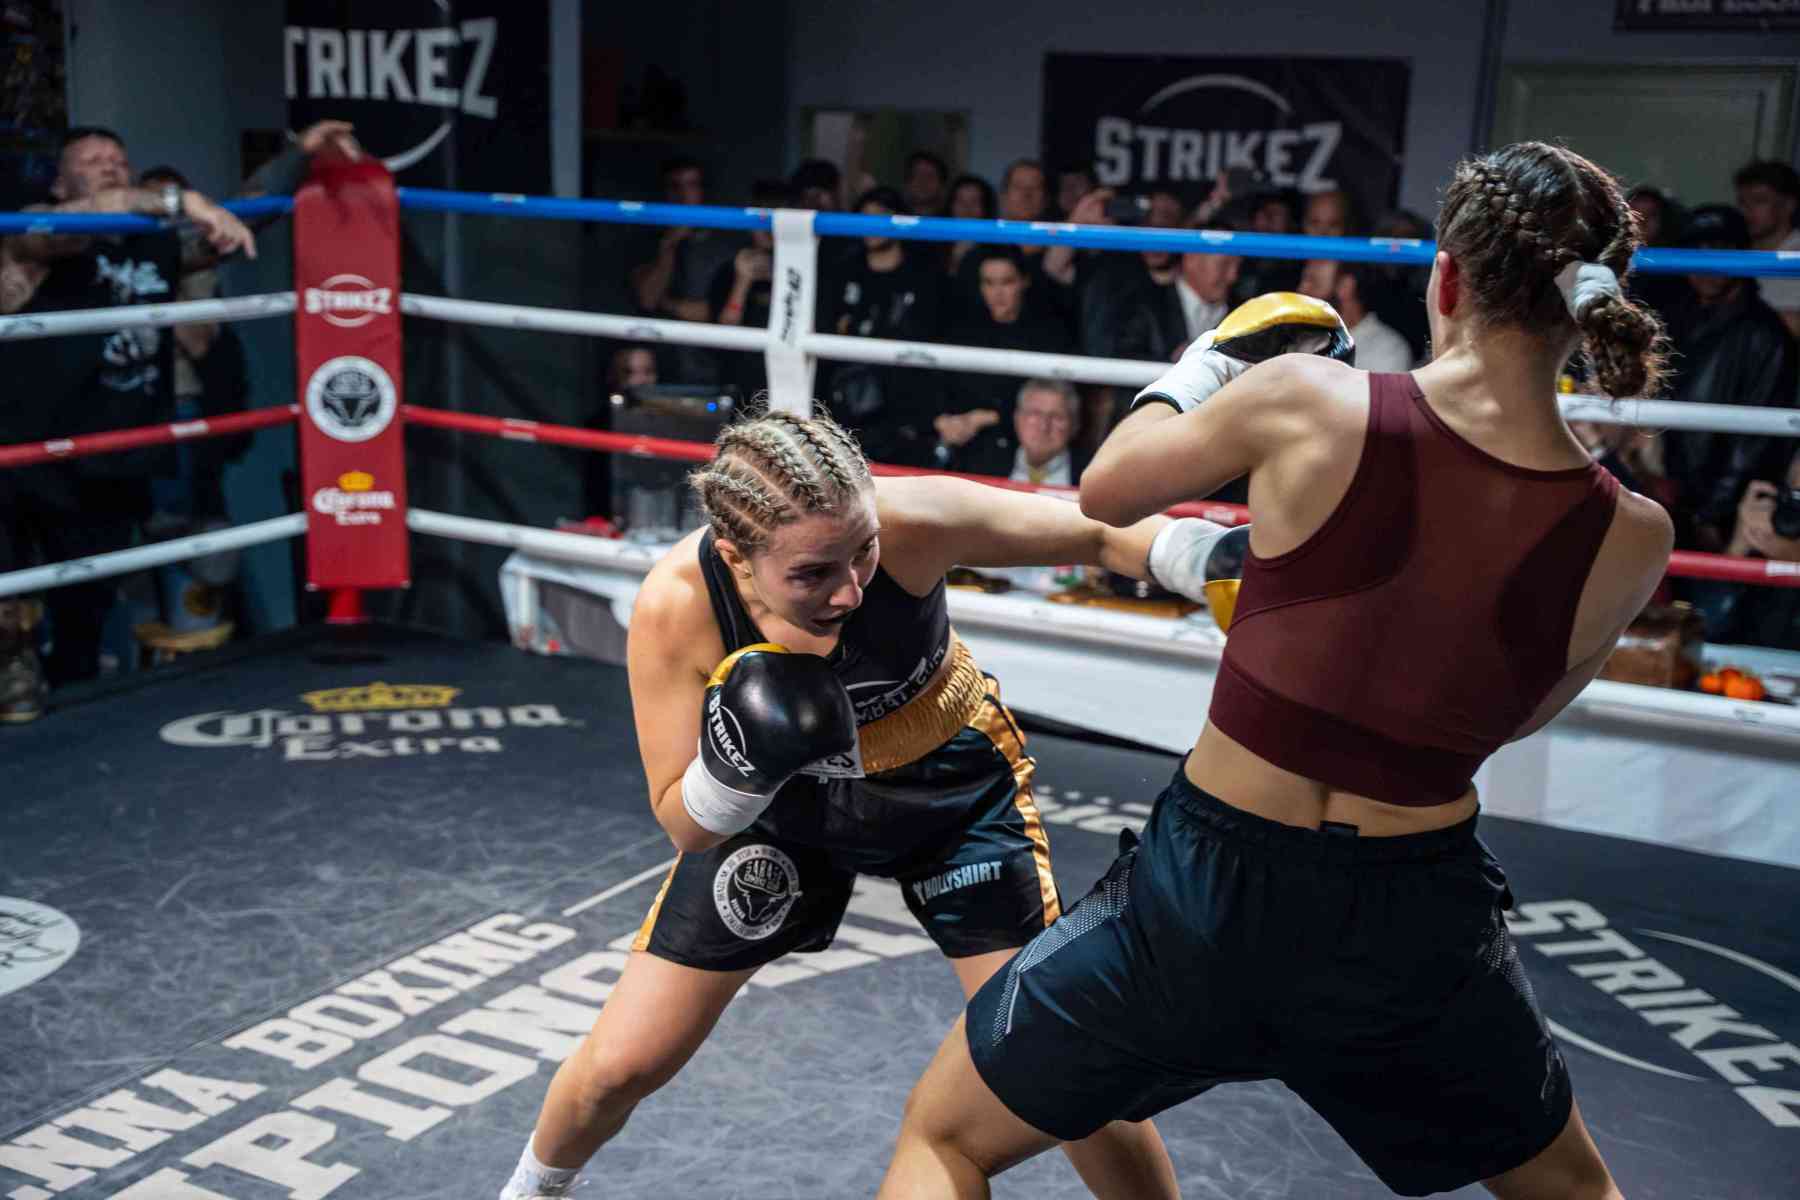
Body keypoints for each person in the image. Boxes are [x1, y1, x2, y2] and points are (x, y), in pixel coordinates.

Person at [879, 141, 1675, 1200]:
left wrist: (1209, 362)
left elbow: (1107, 491)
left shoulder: (1311, 399)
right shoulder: (1631, 534)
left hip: (1208, 891)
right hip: (1415, 916)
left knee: (946, 1139)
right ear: (1587, 311)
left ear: (1445, 278)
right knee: (1577, 1191)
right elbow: (1514, 711)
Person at [498, 409, 1194, 1200]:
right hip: (784, 814)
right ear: (736, 556)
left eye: (862, 550)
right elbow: (680, 819)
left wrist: (1204, 557)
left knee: (1057, 1055)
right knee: (622, 1065)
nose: (851, 588)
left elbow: (1102, 534)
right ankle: (527, 1193)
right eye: (812, 574)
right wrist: (737, 771)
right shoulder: (679, 607)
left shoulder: (914, 523)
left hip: (951, 800)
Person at [0, 126, 254, 709]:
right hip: (26, 452)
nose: (110, 165)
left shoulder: (153, 242)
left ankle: (73, 714)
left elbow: (241, 224)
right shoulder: (37, 231)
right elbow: (81, 220)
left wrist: (300, 155)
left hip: (109, 456)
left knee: (85, 610)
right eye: (92, 160)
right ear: (60, 183)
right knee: (10, 600)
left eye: (118, 158)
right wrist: (183, 199)